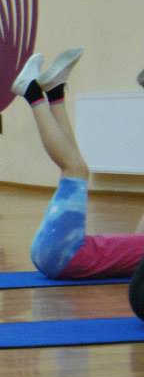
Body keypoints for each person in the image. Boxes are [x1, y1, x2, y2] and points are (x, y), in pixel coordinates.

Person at [11, 46, 144, 280]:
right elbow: (138, 236)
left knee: (75, 170)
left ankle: (31, 93)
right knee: (77, 167)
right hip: (60, 250)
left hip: (64, 254)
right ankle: (55, 94)